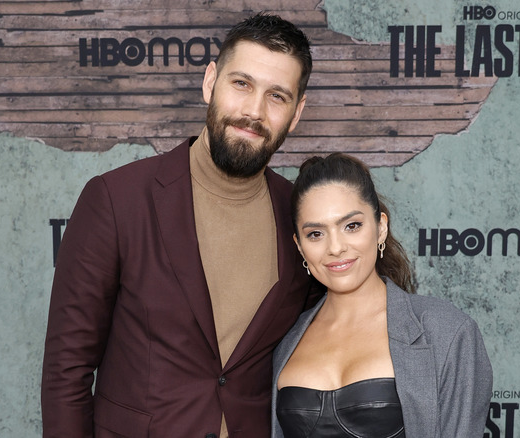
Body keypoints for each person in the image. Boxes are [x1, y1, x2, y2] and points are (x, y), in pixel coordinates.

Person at [41, 13, 318, 438]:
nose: (253, 111)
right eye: (240, 84)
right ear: (210, 82)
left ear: (296, 113)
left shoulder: (301, 215)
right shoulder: (116, 200)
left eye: (276, 96)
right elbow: (66, 371)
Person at [271, 153, 493, 438]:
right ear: (300, 247)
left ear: (381, 228)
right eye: (315, 233)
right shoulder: (286, 340)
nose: (335, 247)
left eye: (351, 226)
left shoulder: (446, 331)